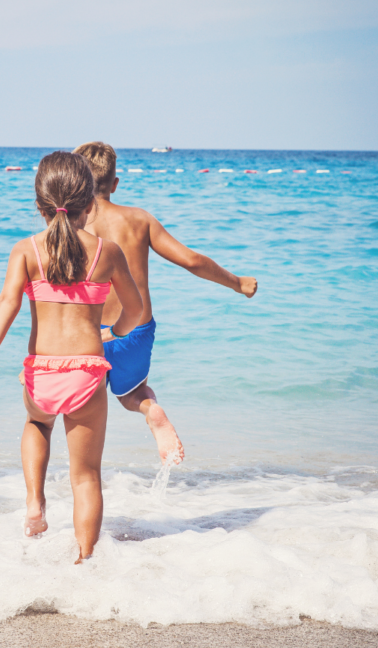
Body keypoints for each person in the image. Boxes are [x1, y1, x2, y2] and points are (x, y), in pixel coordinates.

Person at [0, 151, 143, 563]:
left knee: (37, 423)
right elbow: (134, 310)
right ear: (90, 204)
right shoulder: (107, 252)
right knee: (86, 477)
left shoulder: (26, 250)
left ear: (39, 204)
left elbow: (7, 302)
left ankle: (35, 501)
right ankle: (85, 562)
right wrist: (114, 332)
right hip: (86, 372)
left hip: (42, 371)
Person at [73, 141, 258, 464]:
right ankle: (150, 409)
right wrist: (237, 283)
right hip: (135, 330)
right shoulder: (139, 219)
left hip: (88, 334)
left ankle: (81, 476)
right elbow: (191, 260)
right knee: (132, 393)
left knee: (86, 405)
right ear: (115, 184)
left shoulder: (72, 227)